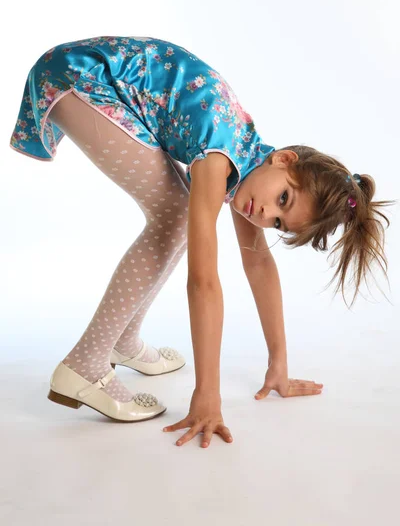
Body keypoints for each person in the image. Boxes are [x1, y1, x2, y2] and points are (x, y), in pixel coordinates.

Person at [10, 35, 395, 448]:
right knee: (175, 217)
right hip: (80, 77)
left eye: (281, 223)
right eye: (283, 199)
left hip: (94, 81)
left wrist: (278, 362)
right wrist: (207, 395)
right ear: (283, 159)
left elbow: (259, 264)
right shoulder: (219, 160)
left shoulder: (250, 169)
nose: (266, 215)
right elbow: (203, 282)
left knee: (175, 215)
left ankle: (122, 341)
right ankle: (85, 362)